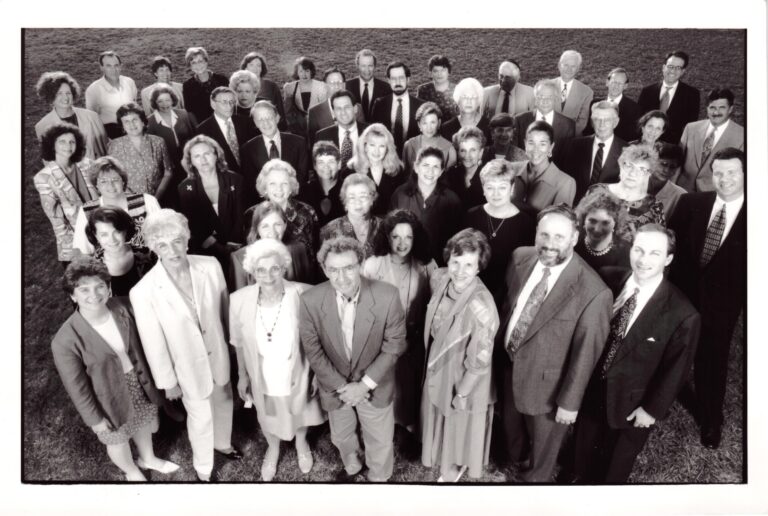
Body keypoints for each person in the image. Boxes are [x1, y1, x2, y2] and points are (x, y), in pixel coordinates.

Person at [573, 224, 700, 483]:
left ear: (668, 259)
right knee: (583, 439)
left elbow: (676, 370)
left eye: (655, 253)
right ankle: (574, 475)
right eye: (639, 250)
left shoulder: (682, 314)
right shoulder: (607, 277)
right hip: (593, 383)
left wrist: (652, 410)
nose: (643, 260)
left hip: (632, 401)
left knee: (616, 460)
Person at [496, 205, 612, 482]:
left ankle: (534, 482)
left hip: (550, 387)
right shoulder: (519, 258)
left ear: (575, 238)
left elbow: (585, 357)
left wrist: (569, 404)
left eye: (559, 237)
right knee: (512, 430)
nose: (549, 244)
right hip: (511, 365)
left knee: (543, 449)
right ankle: (518, 459)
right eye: (544, 234)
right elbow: (507, 306)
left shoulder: (594, 293)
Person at [130, 209, 242, 482]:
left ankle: (223, 442)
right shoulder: (143, 292)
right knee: (200, 416)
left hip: (218, 354)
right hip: (186, 366)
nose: (172, 250)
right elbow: (153, 342)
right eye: (163, 245)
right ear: (154, 247)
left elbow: (224, 308)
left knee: (224, 399)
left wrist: (230, 345)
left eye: (177, 241)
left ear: (187, 239)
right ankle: (204, 468)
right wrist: (168, 381)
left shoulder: (210, 265)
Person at [52, 257, 179, 481]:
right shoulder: (65, 340)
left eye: (100, 285)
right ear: (73, 295)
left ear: (108, 288)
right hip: (106, 397)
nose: (94, 294)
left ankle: (147, 458)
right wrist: (95, 420)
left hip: (138, 382)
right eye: (84, 289)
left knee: (142, 421)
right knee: (117, 439)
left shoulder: (124, 307)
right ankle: (131, 471)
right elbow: (77, 388)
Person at [299, 236, 407, 482]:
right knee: (341, 436)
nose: (342, 277)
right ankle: (353, 466)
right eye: (333, 270)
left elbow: (394, 345)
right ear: (325, 270)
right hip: (336, 387)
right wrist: (342, 387)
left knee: (379, 440)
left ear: (360, 264)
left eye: (348, 268)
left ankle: (378, 478)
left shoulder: (387, 296)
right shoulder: (310, 300)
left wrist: (363, 386)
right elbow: (313, 350)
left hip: (374, 386)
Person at [668, 147, 745, 450]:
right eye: (719, 173)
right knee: (671, 351)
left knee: (712, 361)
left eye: (732, 173)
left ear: (745, 174)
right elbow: (670, 245)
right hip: (681, 298)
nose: (725, 179)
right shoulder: (691, 203)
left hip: (722, 307)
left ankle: (711, 418)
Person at [230, 239, 325, 481]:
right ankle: (273, 448)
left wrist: (315, 373)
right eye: (261, 270)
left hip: (298, 368)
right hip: (262, 371)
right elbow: (238, 342)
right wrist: (242, 375)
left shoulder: (305, 293)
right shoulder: (238, 299)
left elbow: (318, 339)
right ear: (252, 271)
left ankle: (301, 443)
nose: (268, 275)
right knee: (267, 414)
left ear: (284, 268)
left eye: (275, 268)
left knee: (302, 410)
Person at [419, 228, 499, 482]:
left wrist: (463, 393)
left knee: (458, 418)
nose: (460, 271)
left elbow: (479, 362)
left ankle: (455, 464)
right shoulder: (442, 280)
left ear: (479, 267)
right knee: (438, 411)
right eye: (456, 262)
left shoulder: (482, 306)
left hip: (463, 375)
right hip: (440, 363)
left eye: (468, 265)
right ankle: (439, 453)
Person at [363, 210, 436, 432]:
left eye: (408, 237)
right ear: (387, 237)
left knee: (410, 383)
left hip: (414, 338)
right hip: (382, 339)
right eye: (396, 236)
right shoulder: (373, 265)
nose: (402, 243)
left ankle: (409, 423)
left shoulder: (426, 265)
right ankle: (385, 423)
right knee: (386, 382)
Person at [463, 159, 536, 306]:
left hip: (507, 297)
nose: (496, 194)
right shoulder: (470, 216)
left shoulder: (527, 224)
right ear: (483, 189)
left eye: (502, 187)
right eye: (490, 187)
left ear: (512, 188)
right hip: (470, 292)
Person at [177, 135, 244, 270]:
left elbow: (240, 215)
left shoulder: (235, 179)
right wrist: (217, 247)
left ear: (216, 155)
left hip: (237, 247)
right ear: (191, 161)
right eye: (197, 156)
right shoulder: (185, 187)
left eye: (206, 154)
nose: (203, 160)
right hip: (205, 251)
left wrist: (232, 245)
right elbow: (192, 223)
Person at [35, 123, 98, 264]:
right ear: (52, 145)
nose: (68, 146)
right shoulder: (44, 177)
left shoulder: (88, 164)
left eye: (72, 142)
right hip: (76, 239)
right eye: (62, 142)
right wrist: (77, 249)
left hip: (102, 227)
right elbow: (57, 220)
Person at [72, 156, 161, 256]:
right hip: (107, 270)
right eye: (103, 181)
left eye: (115, 180)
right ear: (96, 185)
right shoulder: (87, 211)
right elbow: (83, 252)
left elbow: (164, 238)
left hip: (149, 267)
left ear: (123, 181)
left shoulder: (147, 201)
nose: (110, 185)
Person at [390, 146, 462, 265]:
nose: (430, 171)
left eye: (435, 167)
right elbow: (390, 230)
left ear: (441, 171)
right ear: (416, 167)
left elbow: (457, 241)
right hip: (404, 262)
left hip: (438, 264)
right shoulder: (400, 194)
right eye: (426, 165)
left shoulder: (452, 200)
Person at [586, 144, 666, 244]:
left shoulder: (654, 207)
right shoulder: (596, 190)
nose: (632, 173)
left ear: (648, 174)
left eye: (641, 169)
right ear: (620, 166)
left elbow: (656, 243)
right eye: (629, 165)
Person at [230, 201, 315, 290]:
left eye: (277, 224)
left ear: (285, 226)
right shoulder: (239, 258)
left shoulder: (299, 249)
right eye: (265, 226)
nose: (272, 232)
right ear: (257, 229)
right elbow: (240, 299)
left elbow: (307, 292)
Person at [240, 100, 310, 207]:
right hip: (264, 206)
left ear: (277, 118)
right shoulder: (248, 149)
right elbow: (251, 183)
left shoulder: (299, 142)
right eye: (260, 119)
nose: (266, 123)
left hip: (295, 202)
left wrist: (285, 199)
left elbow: (302, 176)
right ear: (255, 123)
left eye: (269, 118)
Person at [245, 159, 318, 254]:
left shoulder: (308, 211)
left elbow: (314, 251)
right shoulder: (251, 214)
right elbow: (249, 253)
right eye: (272, 184)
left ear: (291, 188)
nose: (279, 189)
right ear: (265, 188)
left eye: (284, 183)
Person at [678, 88, 744, 193]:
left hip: (715, 195)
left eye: (722, 107)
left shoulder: (742, 136)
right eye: (712, 107)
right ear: (706, 108)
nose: (716, 112)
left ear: (730, 109)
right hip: (683, 190)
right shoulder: (690, 128)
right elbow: (677, 163)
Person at [107, 103, 174, 204]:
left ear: (143, 122)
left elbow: (168, 173)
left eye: (135, 120)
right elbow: (114, 175)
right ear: (123, 126)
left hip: (159, 198)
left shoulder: (158, 142)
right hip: (129, 201)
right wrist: (136, 199)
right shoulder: (114, 145)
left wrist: (156, 198)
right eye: (126, 122)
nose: (132, 125)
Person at [562, 101, 628, 203]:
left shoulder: (627, 150)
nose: (601, 125)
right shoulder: (574, 145)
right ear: (592, 122)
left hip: (609, 210)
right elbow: (566, 180)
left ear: (616, 122)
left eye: (607, 120)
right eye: (597, 119)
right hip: (576, 206)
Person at [81, 207, 154, 297]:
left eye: (117, 232)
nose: (112, 240)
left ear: (125, 231)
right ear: (95, 235)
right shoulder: (91, 270)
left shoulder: (147, 255)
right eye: (104, 234)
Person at [35, 71, 108, 160]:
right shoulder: (42, 126)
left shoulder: (92, 117)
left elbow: (106, 149)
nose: (65, 97)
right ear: (50, 96)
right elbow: (49, 160)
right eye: (59, 93)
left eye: (68, 93)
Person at [638, 50, 700, 144]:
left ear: (683, 71)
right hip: (646, 144)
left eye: (678, 68)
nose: (673, 71)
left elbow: (689, 127)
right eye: (670, 66)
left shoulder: (692, 95)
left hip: (673, 149)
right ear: (663, 67)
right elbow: (640, 120)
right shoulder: (647, 91)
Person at [513, 120, 577, 211]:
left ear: (551, 147)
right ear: (525, 144)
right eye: (531, 143)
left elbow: (558, 223)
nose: (536, 150)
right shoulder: (511, 169)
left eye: (542, 144)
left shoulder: (565, 183)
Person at [346, 123, 405, 216]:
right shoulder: (351, 169)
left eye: (382, 146)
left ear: (387, 149)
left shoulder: (398, 170)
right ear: (365, 146)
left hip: (390, 223)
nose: (376, 151)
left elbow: (401, 204)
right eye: (372, 145)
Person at [320, 173, 382, 259]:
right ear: (345, 201)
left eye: (363, 196)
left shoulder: (385, 228)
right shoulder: (329, 231)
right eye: (352, 197)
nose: (358, 202)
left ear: (372, 199)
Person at [196, 86, 257, 174]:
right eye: (224, 102)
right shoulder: (202, 131)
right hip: (225, 180)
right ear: (213, 104)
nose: (229, 106)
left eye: (231, 102)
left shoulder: (245, 122)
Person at [573, 189, 631, 277]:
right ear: (583, 220)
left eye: (605, 223)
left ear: (616, 223)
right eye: (592, 221)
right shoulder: (574, 242)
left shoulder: (626, 253)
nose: (597, 229)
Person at [371, 61, 425, 155]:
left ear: (408, 79)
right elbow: (373, 134)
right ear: (389, 80)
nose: (397, 82)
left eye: (401, 78)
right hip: (386, 157)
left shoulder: (421, 106)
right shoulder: (379, 104)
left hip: (412, 157)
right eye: (393, 79)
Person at [514, 79, 576, 156]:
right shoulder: (520, 120)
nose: (545, 101)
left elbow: (568, 156)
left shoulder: (568, 125)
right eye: (541, 97)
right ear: (535, 99)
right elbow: (515, 152)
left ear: (556, 99)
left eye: (549, 97)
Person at [85, 51, 138, 139]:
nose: (114, 69)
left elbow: (135, 105)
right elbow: (92, 118)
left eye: (116, 65)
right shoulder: (93, 89)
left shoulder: (129, 82)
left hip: (133, 129)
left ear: (121, 66)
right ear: (102, 68)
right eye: (108, 66)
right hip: (111, 134)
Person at [308, 67, 365, 145]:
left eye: (340, 82)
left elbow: (363, 136)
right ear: (325, 86)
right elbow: (313, 145)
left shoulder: (357, 108)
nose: (337, 86)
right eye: (332, 83)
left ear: (344, 85)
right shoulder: (315, 112)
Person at [583, 67, 641, 142]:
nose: (616, 86)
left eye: (620, 83)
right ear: (607, 82)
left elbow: (632, 136)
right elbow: (589, 129)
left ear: (625, 86)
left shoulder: (634, 109)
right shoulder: (595, 103)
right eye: (614, 82)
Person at [313, 90, 367, 165]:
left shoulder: (370, 131)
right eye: (338, 109)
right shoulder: (322, 136)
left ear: (355, 109)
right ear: (334, 113)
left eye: (347, 107)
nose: (343, 112)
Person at [401, 102, 457, 176]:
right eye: (424, 123)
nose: (429, 128)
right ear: (419, 125)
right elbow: (405, 176)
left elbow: (449, 181)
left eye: (432, 122)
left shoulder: (450, 149)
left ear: (439, 123)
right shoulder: (409, 145)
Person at [301, 141, 346, 227]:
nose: (326, 166)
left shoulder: (349, 190)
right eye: (321, 162)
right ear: (314, 166)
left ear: (339, 164)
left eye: (331, 162)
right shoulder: (303, 192)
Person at [181, 47, 229, 125]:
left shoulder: (222, 80)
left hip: (225, 122)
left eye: (200, 61)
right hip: (203, 126)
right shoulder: (187, 86)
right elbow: (190, 112)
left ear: (206, 62)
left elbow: (230, 102)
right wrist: (199, 128)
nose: (198, 65)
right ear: (190, 66)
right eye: (193, 62)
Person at [282, 57, 329, 136]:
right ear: (297, 72)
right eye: (301, 71)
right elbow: (288, 112)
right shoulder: (290, 87)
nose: (304, 75)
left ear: (311, 72)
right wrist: (294, 126)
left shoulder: (321, 86)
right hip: (298, 129)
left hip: (317, 127)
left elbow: (324, 110)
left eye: (307, 71)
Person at [239, 51, 287, 128]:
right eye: (251, 65)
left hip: (268, 128)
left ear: (262, 68)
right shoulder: (238, 87)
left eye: (258, 65)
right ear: (245, 67)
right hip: (246, 131)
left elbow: (280, 112)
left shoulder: (271, 86)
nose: (255, 68)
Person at [444, 126, 487, 210]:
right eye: (463, 150)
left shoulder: (489, 176)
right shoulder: (451, 174)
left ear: (481, 152)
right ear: (458, 152)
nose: (467, 156)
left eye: (473, 150)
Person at [553, 50, 594, 135]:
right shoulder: (547, 85)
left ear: (578, 68)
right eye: (566, 65)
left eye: (573, 66)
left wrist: (567, 135)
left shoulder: (587, 92)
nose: (569, 69)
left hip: (572, 137)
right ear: (559, 66)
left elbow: (582, 120)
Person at [345, 49, 392, 122]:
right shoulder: (347, 86)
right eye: (363, 66)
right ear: (357, 66)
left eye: (370, 66)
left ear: (375, 66)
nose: (367, 70)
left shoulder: (387, 88)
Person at [440, 77, 490, 144]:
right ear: (458, 100)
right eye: (464, 97)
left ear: (478, 101)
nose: (468, 101)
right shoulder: (446, 128)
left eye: (473, 97)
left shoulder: (489, 126)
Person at [648, 143, 687, 220]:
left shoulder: (681, 196)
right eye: (663, 164)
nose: (667, 170)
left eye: (672, 167)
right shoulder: (634, 183)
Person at [415, 54, 459, 119]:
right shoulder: (423, 90)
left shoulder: (458, 89)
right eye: (435, 71)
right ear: (431, 73)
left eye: (443, 70)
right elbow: (419, 115)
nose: (439, 74)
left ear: (448, 72)